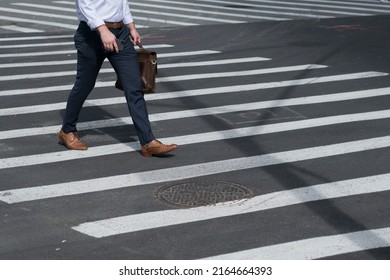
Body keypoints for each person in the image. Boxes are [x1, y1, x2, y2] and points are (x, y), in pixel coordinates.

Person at [58, 0, 177, 157]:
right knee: (84, 85)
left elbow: (122, 3)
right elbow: (85, 4)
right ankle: (67, 130)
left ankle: (148, 142)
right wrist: (102, 30)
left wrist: (131, 26)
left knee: (134, 86)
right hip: (92, 36)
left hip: (120, 34)